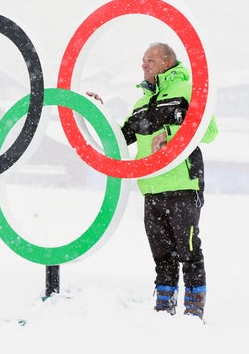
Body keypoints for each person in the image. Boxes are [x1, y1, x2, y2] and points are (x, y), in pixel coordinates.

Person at [87, 42, 218, 319]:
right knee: (162, 255)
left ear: (168, 62)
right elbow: (119, 140)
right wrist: (98, 113)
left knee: (189, 250)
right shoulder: (141, 103)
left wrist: (171, 134)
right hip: (152, 187)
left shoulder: (188, 90)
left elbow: (210, 131)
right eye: (142, 60)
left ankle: (194, 310)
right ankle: (163, 307)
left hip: (183, 184)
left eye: (150, 60)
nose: (143, 65)